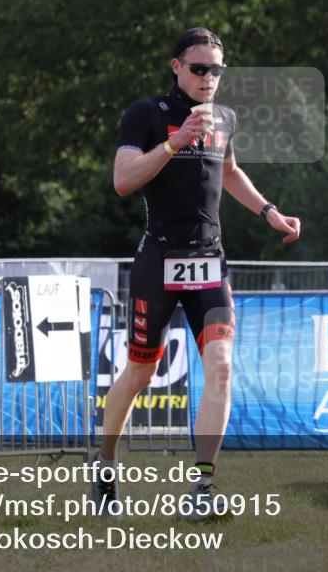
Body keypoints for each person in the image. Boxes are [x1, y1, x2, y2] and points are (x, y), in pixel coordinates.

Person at [93, 28, 301, 521]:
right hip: (158, 260)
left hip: (210, 262)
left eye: (217, 70)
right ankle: (104, 464)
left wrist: (269, 212)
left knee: (222, 367)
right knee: (140, 372)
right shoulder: (147, 114)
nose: (209, 78)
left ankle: (203, 485)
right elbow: (123, 181)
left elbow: (228, 172)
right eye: (199, 68)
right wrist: (175, 142)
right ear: (177, 67)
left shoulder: (225, 118)